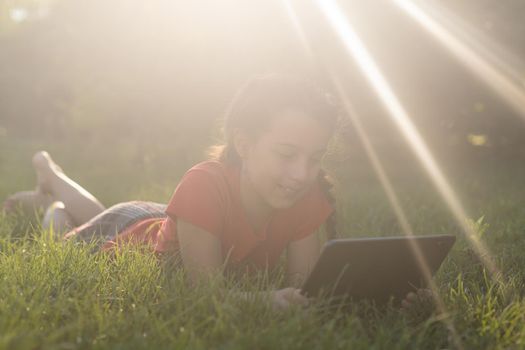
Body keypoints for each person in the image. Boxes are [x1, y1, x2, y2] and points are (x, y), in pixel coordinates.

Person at [2, 74, 430, 311]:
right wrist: (263, 302)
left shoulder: (304, 193)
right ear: (244, 144)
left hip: (179, 220)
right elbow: (202, 293)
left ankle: (51, 183)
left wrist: (388, 299)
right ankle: (53, 192)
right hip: (131, 231)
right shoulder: (204, 183)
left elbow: (307, 295)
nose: (301, 173)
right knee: (66, 234)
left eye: (314, 157)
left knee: (97, 208)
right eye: (286, 154)